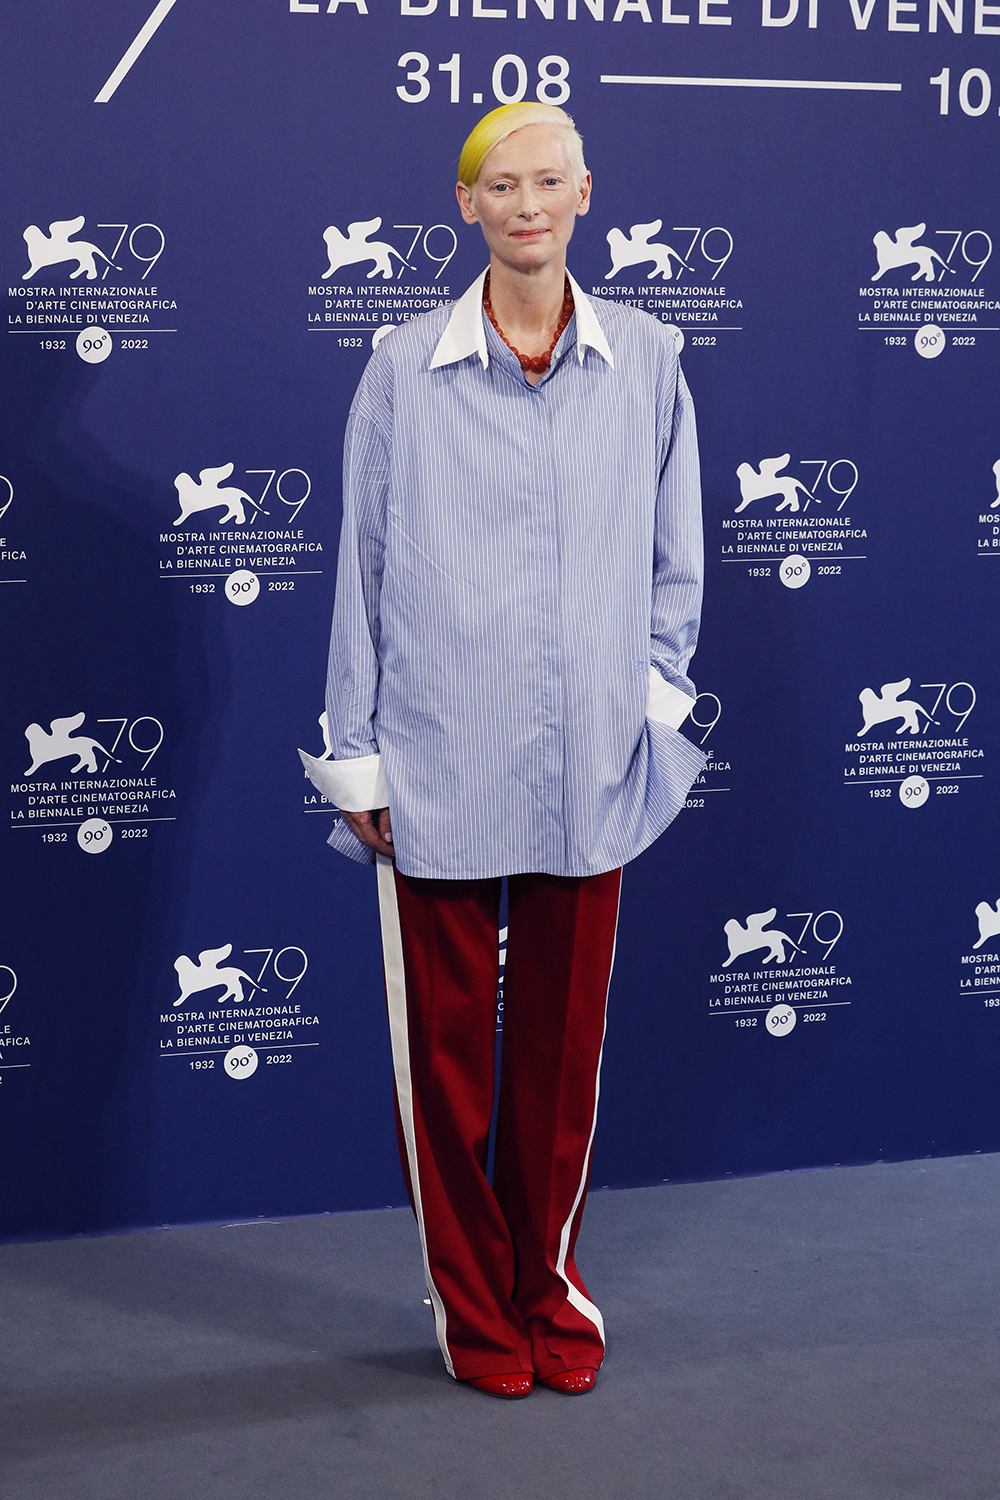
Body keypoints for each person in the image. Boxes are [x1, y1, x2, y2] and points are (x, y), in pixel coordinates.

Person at [300, 102, 707, 1399]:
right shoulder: (399, 368)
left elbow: (674, 565)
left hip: (591, 768)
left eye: (549, 179)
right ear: (463, 202)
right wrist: (356, 756)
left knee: (557, 1075)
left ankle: (550, 1292)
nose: (527, 203)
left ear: (587, 192)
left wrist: (650, 705)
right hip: (437, 763)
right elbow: (359, 575)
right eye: (501, 184)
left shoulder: (648, 359)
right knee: (451, 1077)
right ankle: (476, 1316)